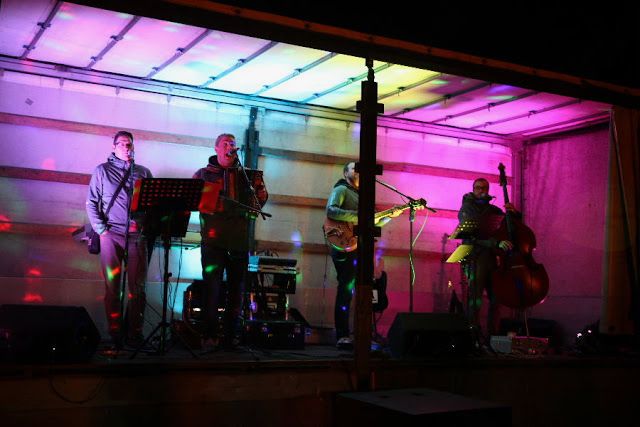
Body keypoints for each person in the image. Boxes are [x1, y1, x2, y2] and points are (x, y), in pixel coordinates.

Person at [193, 133, 268, 349]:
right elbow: (193, 200)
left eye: (232, 144)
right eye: (225, 144)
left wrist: (253, 202)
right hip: (213, 242)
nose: (229, 147)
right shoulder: (203, 174)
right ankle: (209, 335)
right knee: (212, 288)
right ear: (216, 149)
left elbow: (261, 198)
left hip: (239, 241)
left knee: (237, 290)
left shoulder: (247, 175)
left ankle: (230, 337)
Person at [86, 131, 153, 348]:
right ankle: (115, 334)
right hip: (111, 235)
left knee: (137, 289)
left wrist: (143, 225)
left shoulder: (143, 172)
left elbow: (152, 204)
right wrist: (102, 230)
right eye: (122, 143)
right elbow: (91, 202)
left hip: (137, 237)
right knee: (113, 287)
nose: (126, 147)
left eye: (129, 144)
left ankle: (135, 334)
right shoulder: (102, 171)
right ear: (114, 147)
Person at [325, 162, 401, 349]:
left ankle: (363, 334)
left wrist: (390, 215)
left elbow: (373, 222)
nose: (358, 170)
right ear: (346, 173)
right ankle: (342, 335)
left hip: (360, 245)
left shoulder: (364, 196)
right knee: (346, 287)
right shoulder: (341, 189)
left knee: (366, 288)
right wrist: (357, 216)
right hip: (344, 243)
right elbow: (331, 210)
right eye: (353, 168)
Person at [457, 177, 516, 337]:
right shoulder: (467, 208)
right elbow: (471, 235)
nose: (481, 190)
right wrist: (496, 243)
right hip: (475, 257)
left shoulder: (492, 210)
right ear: (473, 189)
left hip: (491, 258)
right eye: (478, 187)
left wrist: (513, 214)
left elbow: (508, 225)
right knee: (475, 299)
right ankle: (473, 335)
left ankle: (493, 335)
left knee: (496, 298)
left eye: (484, 188)